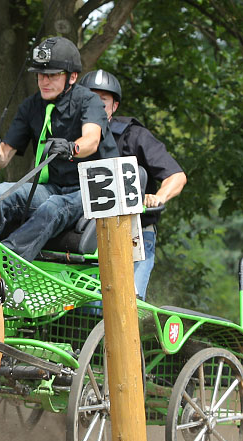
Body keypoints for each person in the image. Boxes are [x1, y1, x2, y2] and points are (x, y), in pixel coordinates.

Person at [0, 36, 118, 263]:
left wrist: (72, 147)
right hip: (54, 187)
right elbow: (2, 160)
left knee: (53, 207)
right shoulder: (31, 106)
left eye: (52, 75)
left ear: (72, 76)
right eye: (41, 75)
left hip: (94, 187)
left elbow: (91, 141)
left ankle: (5, 263)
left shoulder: (88, 101)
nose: (44, 81)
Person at [79, 69, 187, 300]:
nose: (96, 106)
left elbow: (176, 176)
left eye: (103, 101)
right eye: (90, 99)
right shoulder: (71, 138)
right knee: (82, 311)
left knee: (127, 304)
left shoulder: (135, 135)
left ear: (114, 106)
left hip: (132, 235)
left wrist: (158, 197)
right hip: (82, 236)